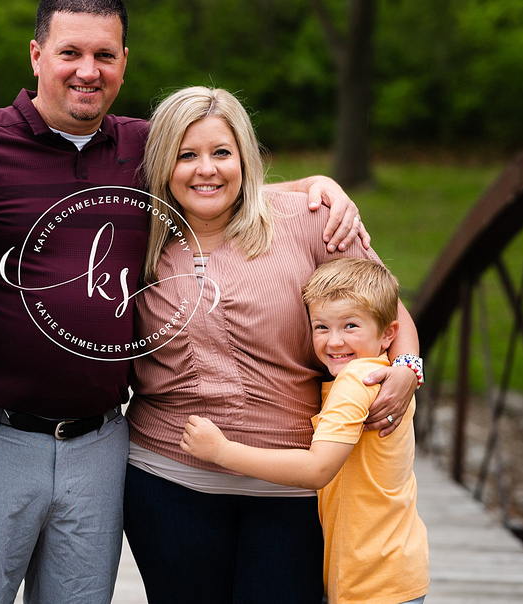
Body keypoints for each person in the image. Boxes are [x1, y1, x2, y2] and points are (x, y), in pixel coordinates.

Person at [0, 0, 369, 604]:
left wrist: (319, 185)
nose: (88, 71)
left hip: (104, 443)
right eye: (70, 53)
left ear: (124, 63)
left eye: (105, 56)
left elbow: (221, 178)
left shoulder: (146, 148)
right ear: (36, 55)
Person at [123, 87, 423, 603]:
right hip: (166, 481)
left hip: (292, 489)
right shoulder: (138, 235)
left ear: (245, 156)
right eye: (186, 155)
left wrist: (408, 368)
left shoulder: (308, 221)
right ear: (163, 164)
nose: (206, 170)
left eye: (222, 153)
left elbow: (390, 315)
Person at [181, 257, 430, 604]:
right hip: (389, 567)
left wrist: (221, 450)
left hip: (373, 581)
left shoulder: (357, 382)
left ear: (389, 333)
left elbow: (318, 469)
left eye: (351, 326)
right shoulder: (383, 374)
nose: (334, 341)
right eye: (321, 327)